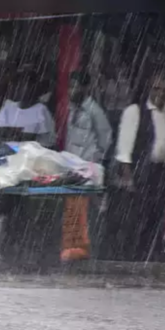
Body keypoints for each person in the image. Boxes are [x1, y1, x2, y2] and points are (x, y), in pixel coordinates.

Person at [114, 71, 165, 262]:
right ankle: (134, 259)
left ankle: (150, 260)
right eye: (156, 88)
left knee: (156, 220)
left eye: (163, 88)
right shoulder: (135, 112)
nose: (160, 92)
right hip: (142, 174)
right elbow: (124, 150)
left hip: (162, 174)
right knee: (138, 222)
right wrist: (129, 179)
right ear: (149, 88)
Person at [60, 71, 114, 262]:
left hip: (87, 170)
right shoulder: (73, 109)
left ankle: (84, 251)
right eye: (71, 86)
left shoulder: (94, 111)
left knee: (84, 212)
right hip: (72, 168)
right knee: (71, 209)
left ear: (85, 88)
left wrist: (94, 162)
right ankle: (71, 250)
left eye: (76, 86)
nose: (72, 90)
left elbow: (106, 140)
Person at [0, 75, 57, 148]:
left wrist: (13, 132)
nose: (17, 89)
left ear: (34, 89)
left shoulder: (41, 110)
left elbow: (32, 138)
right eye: (16, 86)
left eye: (23, 86)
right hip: (9, 150)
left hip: (34, 153)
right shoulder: (9, 106)